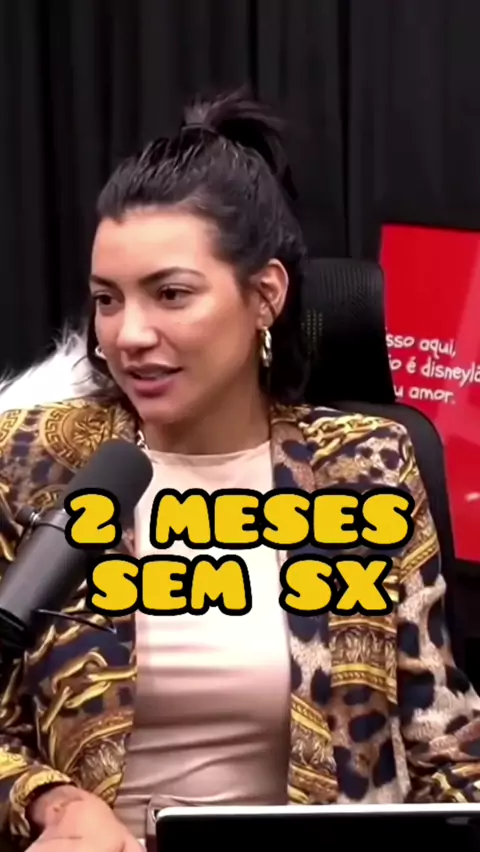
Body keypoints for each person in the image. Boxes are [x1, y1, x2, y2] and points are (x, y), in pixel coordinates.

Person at [0, 90, 479, 852]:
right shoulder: (32, 461)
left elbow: (448, 750)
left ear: (265, 296)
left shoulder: (368, 467)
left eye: (170, 294)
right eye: (106, 300)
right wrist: (52, 804)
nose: (128, 334)